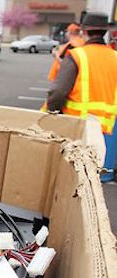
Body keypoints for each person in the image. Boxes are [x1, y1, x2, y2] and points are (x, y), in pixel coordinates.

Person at [46, 12, 117, 182]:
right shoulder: (115, 57)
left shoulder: (77, 56)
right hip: (106, 130)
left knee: (72, 178)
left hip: (78, 129)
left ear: (84, 31)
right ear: (105, 32)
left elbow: (58, 92)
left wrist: (53, 111)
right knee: (94, 179)